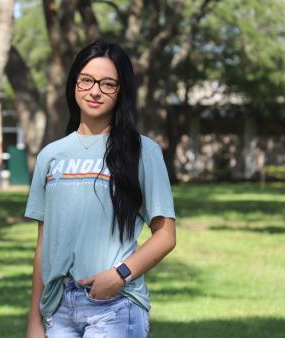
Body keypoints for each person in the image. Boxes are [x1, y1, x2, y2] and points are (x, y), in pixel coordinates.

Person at [24, 39, 176, 338]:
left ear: (121, 92)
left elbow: (166, 235)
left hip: (115, 307)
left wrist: (120, 275)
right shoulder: (51, 156)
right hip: (59, 309)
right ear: (74, 84)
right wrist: (34, 319)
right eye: (87, 80)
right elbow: (44, 246)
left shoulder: (142, 151)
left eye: (108, 84)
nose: (95, 91)